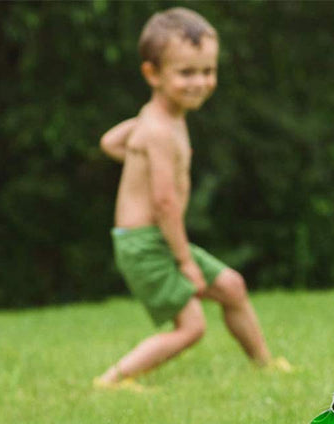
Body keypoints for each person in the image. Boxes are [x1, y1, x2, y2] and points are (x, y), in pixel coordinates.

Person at [95, 7, 290, 389]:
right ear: (152, 73)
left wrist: (140, 153)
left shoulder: (158, 119)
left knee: (231, 286)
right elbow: (165, 204)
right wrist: (185, 262)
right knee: (191, 327)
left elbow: (109, 142)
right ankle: (113, 380)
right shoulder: (160, 130)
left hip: (153, 239)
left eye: (207, 70)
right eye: (187, 72)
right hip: (146, 244)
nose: (200, 81)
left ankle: (265, 366)